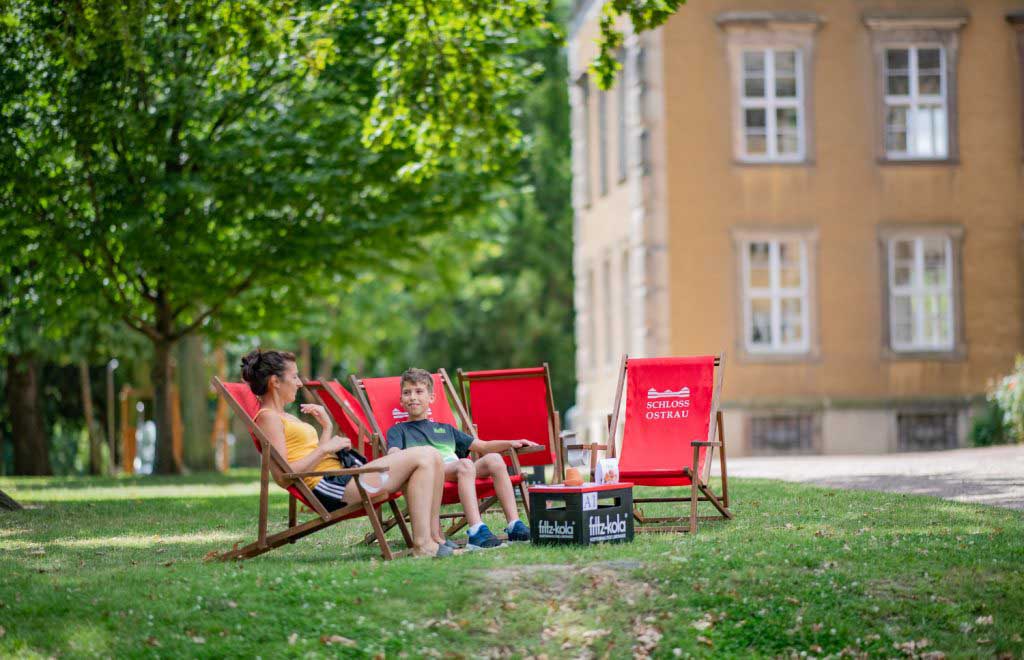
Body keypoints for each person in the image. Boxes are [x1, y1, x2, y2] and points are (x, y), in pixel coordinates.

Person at [242, 349, 451, 558]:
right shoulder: (268, 418)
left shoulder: (286, 416)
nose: (299, 383)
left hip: (344, 476)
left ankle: (434, 539)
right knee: (425, 454)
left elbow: (313, 457)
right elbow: (284, 476)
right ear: (275, 382)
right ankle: (423, 545)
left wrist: (326, 429)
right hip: (332, 487)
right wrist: (326, 448)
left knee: (431, 456)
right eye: (294, 376)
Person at [386, 368, 540, 550]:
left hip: (457, 471)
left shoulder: (446, 429)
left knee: (495, 459)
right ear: (401, 400)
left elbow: (482, 446)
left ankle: (515, 526)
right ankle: (476, 531)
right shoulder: (398, 430)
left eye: (419, 391)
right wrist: (395, 456)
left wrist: (512, 442)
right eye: (407, 392)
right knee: (465, 464)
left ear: (431, 398)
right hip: (431, 473)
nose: (412, 397)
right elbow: (394, 453)